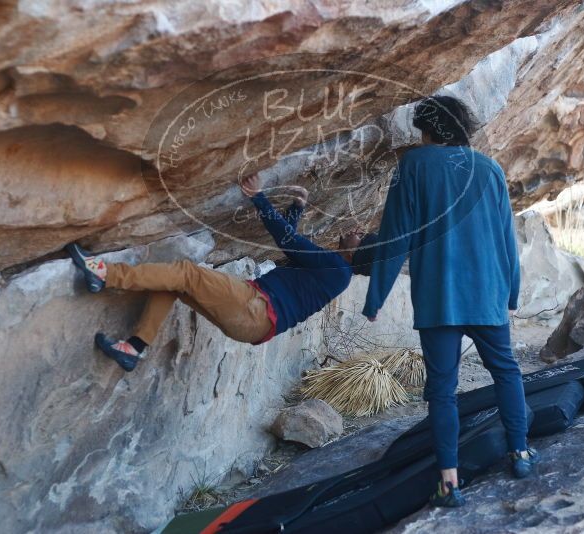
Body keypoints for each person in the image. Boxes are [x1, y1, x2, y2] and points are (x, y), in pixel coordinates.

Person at [362, 96, 536, 508]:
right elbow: (505, 238)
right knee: (507, 372)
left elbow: (395, 237)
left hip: (439, 297)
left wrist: (375, 297)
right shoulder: (490, 169)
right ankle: (521, 453)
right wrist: (511, 289)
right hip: (488, 293)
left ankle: (449, 483)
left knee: (442, 389)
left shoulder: (414, 167)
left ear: (427, 129)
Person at [67, 174, 376, 371]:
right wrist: (297, 206)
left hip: (256, 309)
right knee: (175, 283)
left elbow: (287, 240)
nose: (356, 231)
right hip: (254, 323)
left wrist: (258, 195)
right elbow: (292, 245)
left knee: (187, 274)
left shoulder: (337, 268)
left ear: (356, 252)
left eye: (361, 237)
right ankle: (133, 349)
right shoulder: (336, 271)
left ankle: (103, 273)